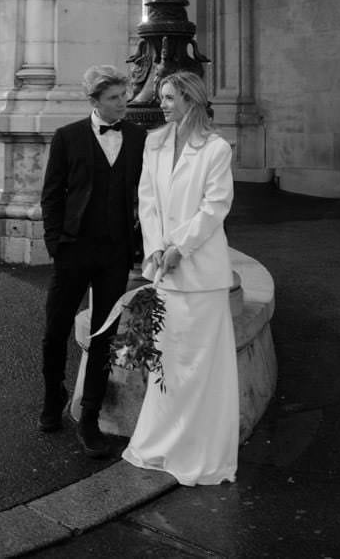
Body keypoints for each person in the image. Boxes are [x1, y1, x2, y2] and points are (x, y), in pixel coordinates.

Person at [122, 69, 239, 486]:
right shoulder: (153, 143)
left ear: (191, 99)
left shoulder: (216, 148)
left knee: (200, 367)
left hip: (201, 273)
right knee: (167, 363)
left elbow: (215, 208)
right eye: (162, 97)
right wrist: (156, 247)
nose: (162, 104)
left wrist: (178, 247)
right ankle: (163, 443)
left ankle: (200, 450)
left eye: (170, 98)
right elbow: (146, 199)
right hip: (164, 269)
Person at [39, 65, 146, 457]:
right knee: (55, 330)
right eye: (115, 98)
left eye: (124, 95)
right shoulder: (67, 137)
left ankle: (89, 417)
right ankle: (53, 398)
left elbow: (148, 194)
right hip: (73, 249)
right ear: (95, 101)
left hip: (115, 252)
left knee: (104, 334)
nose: (124, 103)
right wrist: (56, 245)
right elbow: (52, 195)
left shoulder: (137, 137)